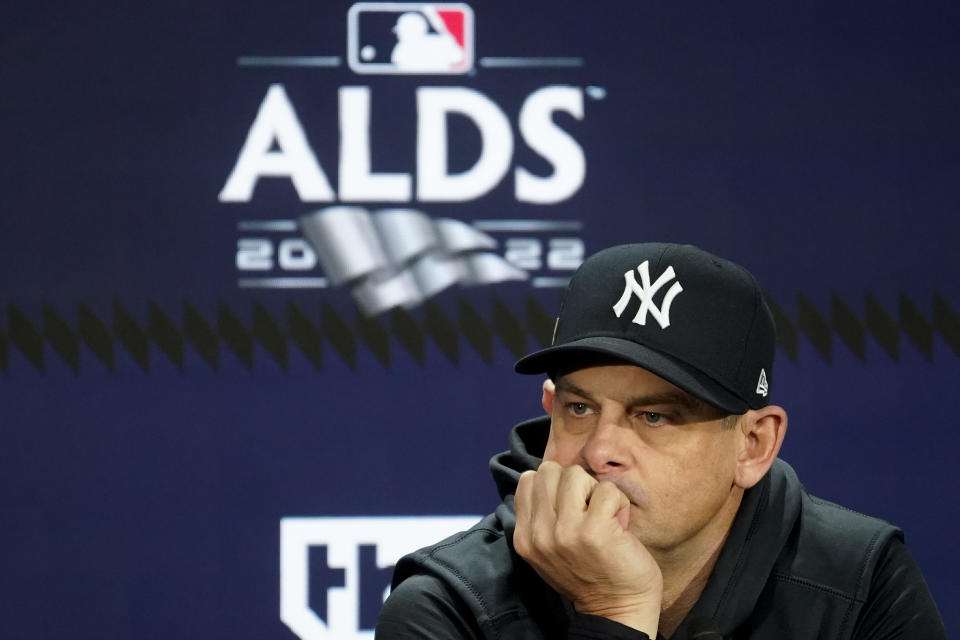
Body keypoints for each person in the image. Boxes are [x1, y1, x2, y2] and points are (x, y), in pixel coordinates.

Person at [375, 243, 946, 639]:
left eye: (655, 418)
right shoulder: (450, 608)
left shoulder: (858, 582)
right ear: (549, 408)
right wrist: (614, 613)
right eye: (580, 408)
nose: (600, 451)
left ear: (753, 445)